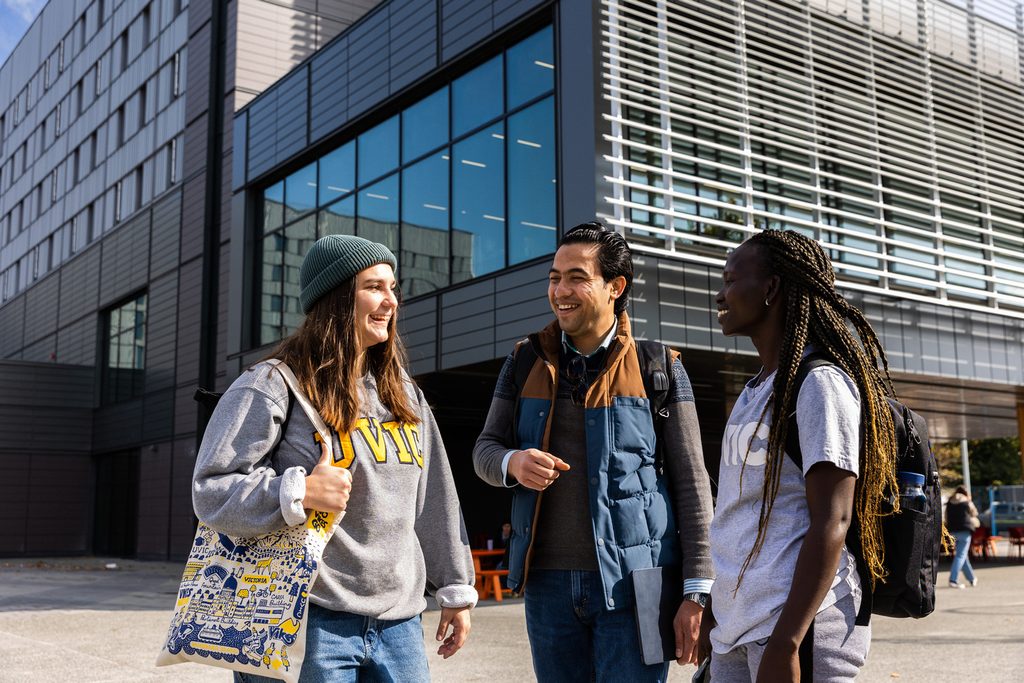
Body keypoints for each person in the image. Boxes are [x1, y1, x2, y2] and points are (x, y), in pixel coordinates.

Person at [193, 235, 476, 681]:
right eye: (374, 287)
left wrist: (457, 588)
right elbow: (210, 489)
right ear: (337, 297)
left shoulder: (403, 394)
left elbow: (436, 496)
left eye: (393, 288)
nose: (390, 301)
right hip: (305, 618)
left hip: (399, 621)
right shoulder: (272, 383)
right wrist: (298, 490)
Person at [473, 222, 715, 681]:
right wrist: (513, 463)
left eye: (576, 278)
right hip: (547, 589)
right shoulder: (524, 359)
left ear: (615, 287)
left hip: (637, 587)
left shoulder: (660, 366)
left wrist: (696, 590)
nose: (560, 290)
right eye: (554, 277)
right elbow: (484, 450)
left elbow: (691, 481)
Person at [699, 229, 901, 681]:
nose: (720, 293)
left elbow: (834, 520)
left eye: (731, 280)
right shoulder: (755, 391)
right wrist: (717, 607)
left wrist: (789, 639)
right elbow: (739, 515)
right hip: (736, 628)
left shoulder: (819, 384)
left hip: (798, 629)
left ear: (771, 289)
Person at [946, 485, 980, 588]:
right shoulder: (966, 501)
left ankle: (971, 578)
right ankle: (953, 580)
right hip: (964, 530)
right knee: (960, 555)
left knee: (962, 555)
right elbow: (974, 513)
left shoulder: (949, 501)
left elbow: (946, 516)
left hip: (952, 530)